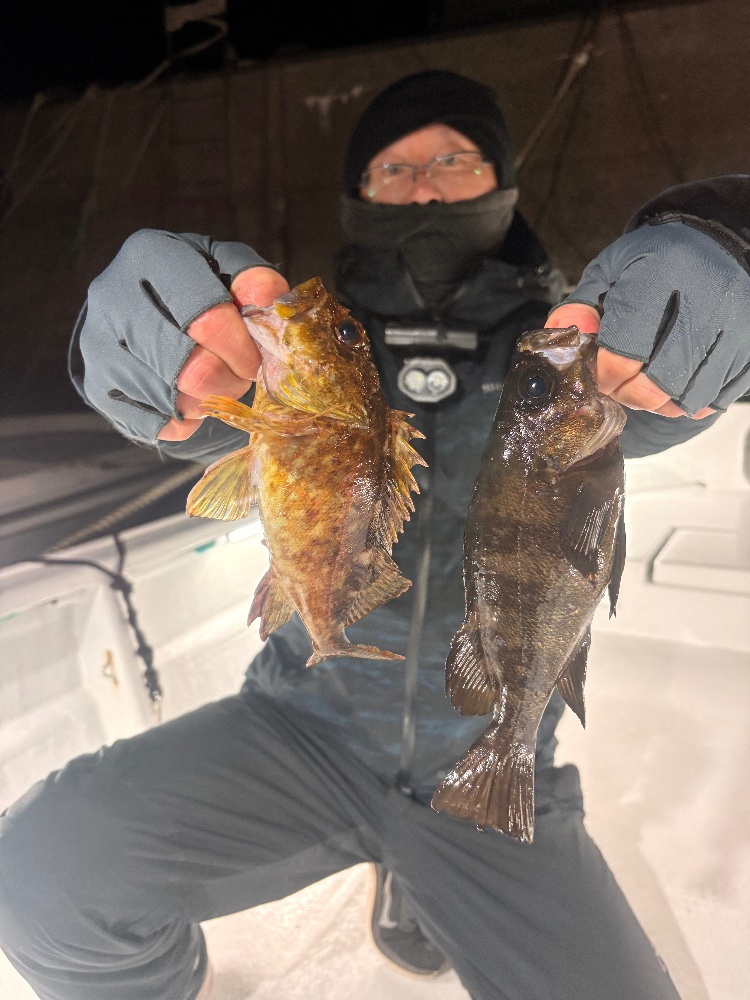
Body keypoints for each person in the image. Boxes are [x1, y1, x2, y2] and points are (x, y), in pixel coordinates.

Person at [1, 70, 749, 1000]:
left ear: (504, 182)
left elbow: (655, 403)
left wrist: (726, 252)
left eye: (456, 160)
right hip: (300, 721)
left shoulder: (570, 353)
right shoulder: (299, 345)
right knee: (34, 874)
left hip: (487, 753)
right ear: (359, 193)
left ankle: (416, 868)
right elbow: (204, 420)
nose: (426, 189)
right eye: (396, 168)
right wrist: (137, 362)